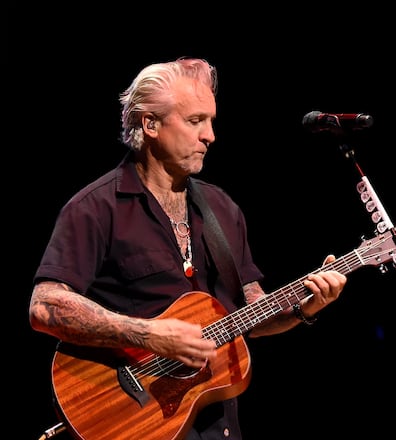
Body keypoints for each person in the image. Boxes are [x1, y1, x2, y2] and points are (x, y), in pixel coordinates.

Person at [28, 58, 347, 440]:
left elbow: (251, 313)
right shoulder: (96, 208)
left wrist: (302, 309)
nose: (210, 136)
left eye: (211, 121)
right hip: (131, 422)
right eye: (196, 121)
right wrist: (147, 335)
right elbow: (45, 306)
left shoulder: (223, 210)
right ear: (150, 125)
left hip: (216, 426)